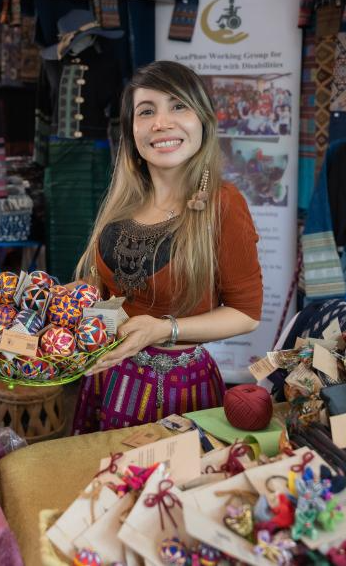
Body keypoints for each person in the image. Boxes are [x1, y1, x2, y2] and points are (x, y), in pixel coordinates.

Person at [71, 60, 263, 433]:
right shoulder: (123, 203)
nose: (161, 122)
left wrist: (162, 330)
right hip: (107, 378)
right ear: (131, 130)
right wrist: (60, 300)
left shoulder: (222, 204)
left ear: (203, 120)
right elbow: (103, 291)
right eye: (146, 111)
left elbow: (246, 314)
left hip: (177, 390)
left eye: (178, 106)